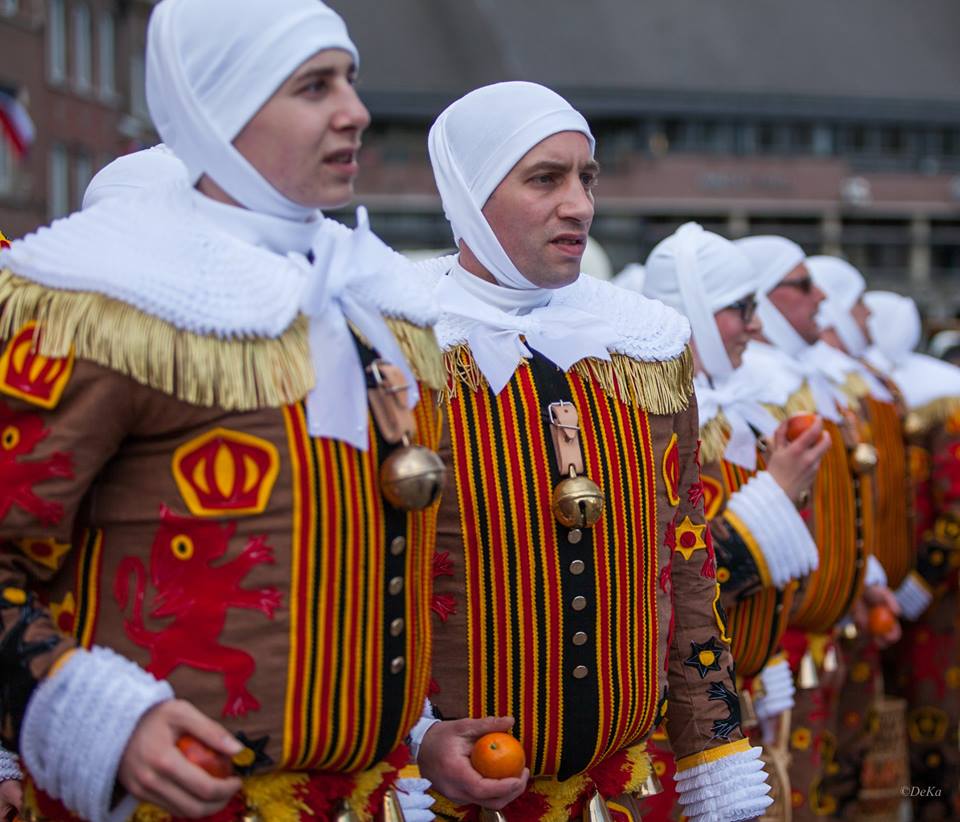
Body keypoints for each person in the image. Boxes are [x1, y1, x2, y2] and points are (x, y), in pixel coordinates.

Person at [0, 0, 446, 819]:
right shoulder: (109, 296)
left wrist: (419, 732)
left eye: (350, 79)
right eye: (314, 87)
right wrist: (98, 719)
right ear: (219, 109)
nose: (355, 111)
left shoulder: (371, 299)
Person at [414, 82, 772, 822]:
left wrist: (713, 755)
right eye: (545, 178)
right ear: (470, 194)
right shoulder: (405, 344)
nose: (578, 204)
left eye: (588, 177)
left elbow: (686, 563)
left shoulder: (643, 346)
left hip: (623, 790)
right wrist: (413, 738)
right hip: (451, 800)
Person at [637, 224, 828, 817]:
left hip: (724, 703)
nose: (756, 324)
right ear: (687, 309)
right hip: (672, 726)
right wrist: (775, 496)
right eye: (738, 308)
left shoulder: (736, 409)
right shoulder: (646, 418)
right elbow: (666, 582)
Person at [735, 236, 899, 820]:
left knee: (823, 788)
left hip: (825, 633)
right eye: (802, 284)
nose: (821, 297)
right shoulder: (754, 386)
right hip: (771, 648)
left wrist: (864, 575)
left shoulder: (808, 377)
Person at [865, 290, 960, 820]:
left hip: (941, 606)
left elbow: (956, 515)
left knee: (937, 728)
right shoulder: (886, 389)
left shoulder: (942, 398)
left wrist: (919, 586)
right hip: (899, 601)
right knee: (902, 725)